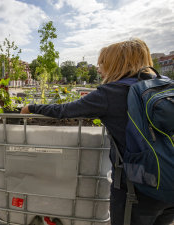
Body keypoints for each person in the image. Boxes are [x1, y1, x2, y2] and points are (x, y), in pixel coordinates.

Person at [21, 38, 174, 225]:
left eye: (102, 64)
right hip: (169, 182)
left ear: (116, 64)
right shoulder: (165, 85)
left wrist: (31, 107)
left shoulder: (110, 93)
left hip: (138, 190)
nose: (99, 69)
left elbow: (63, 111)